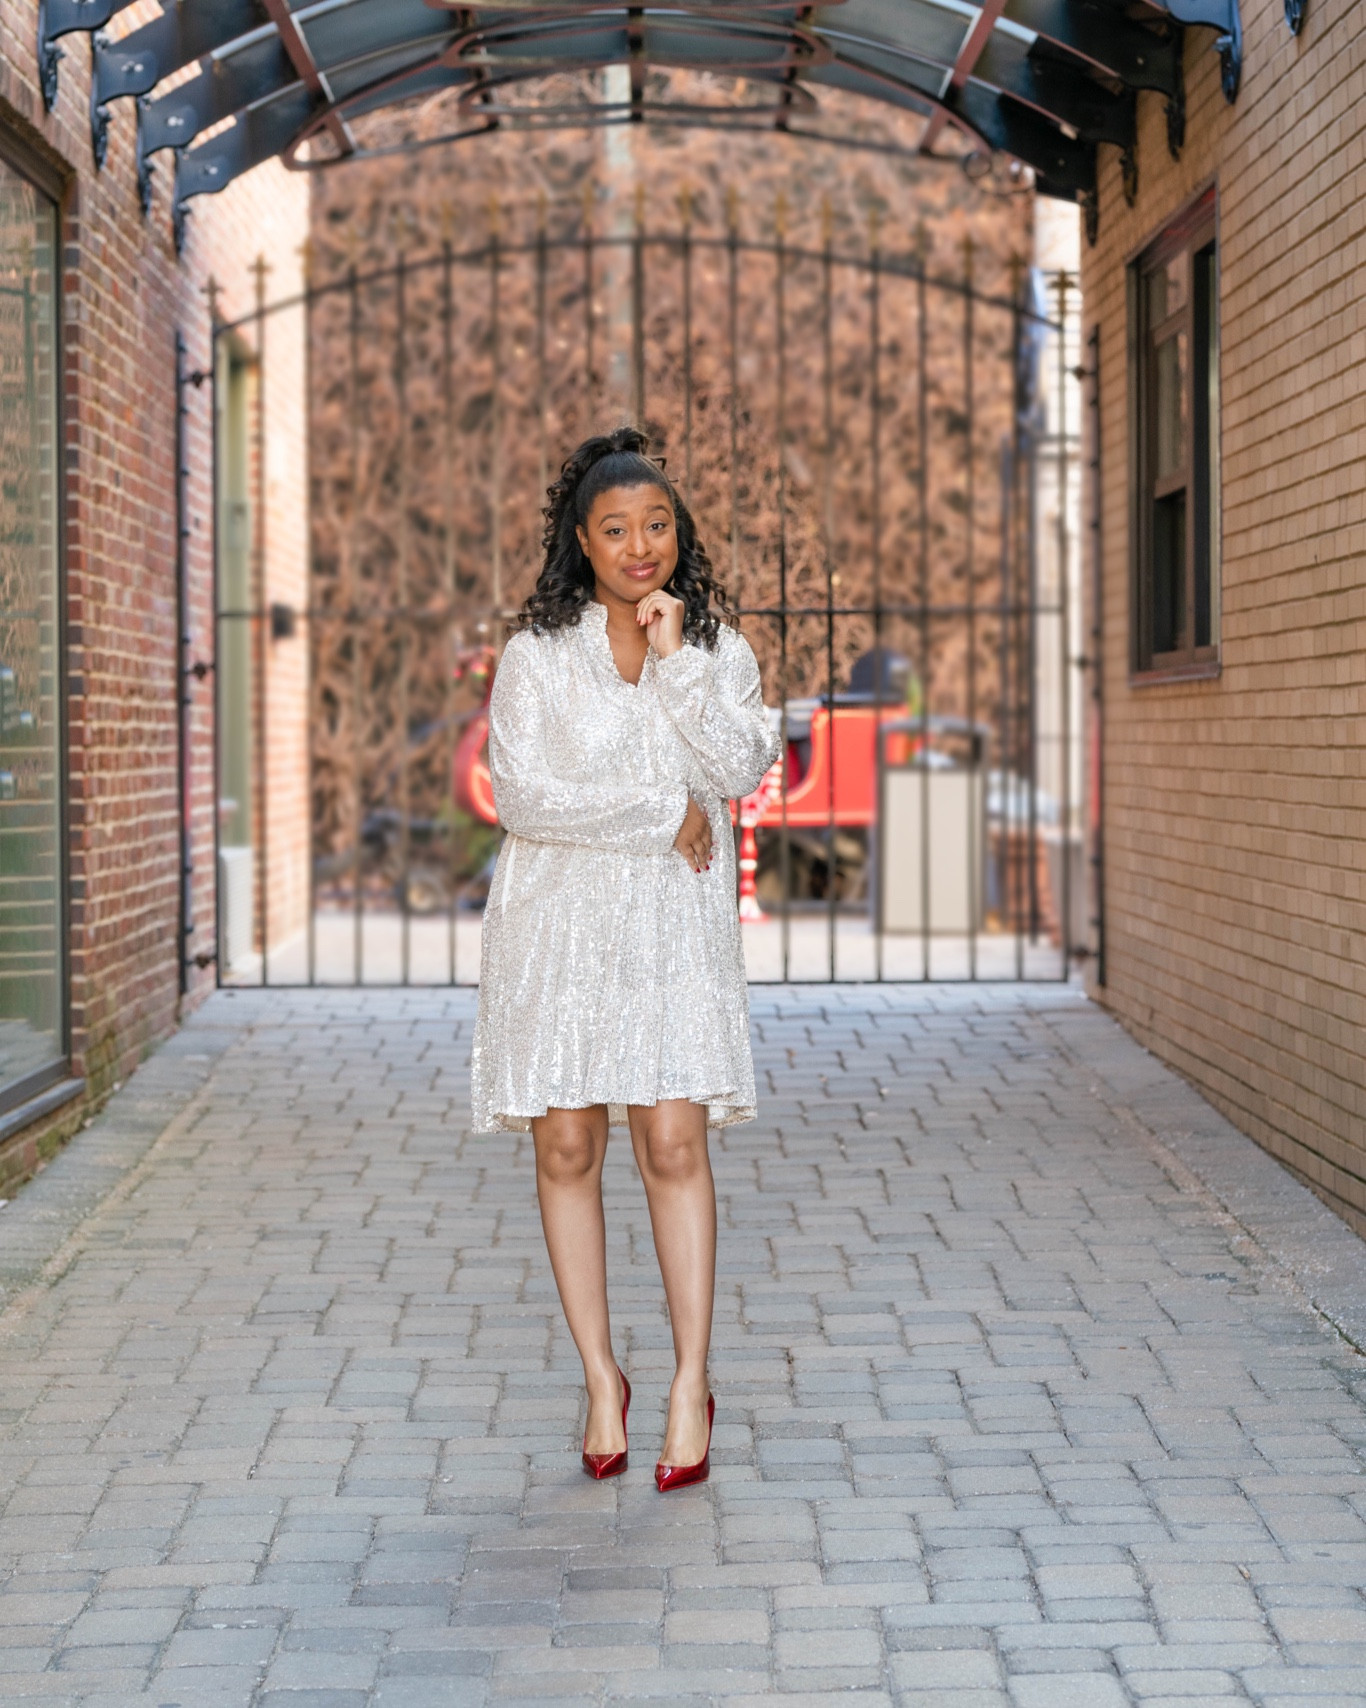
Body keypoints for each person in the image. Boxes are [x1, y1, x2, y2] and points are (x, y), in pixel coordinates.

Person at [470, 427, 780, 1490]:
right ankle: (602, 1374)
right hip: (557, 932)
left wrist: (679, 665)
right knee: (565, 1147)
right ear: (581, 540)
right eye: (616, 529)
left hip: (668, 932)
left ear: (676, 532)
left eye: (656, 524)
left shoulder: (715, 650)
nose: (639, 545)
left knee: (672, 1139)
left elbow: (739, 765)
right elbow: (522, 799)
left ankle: (691, 1379)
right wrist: (660, 810)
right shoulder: (534, 656)